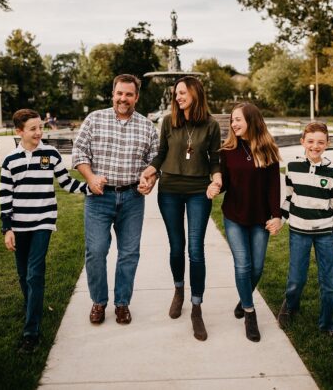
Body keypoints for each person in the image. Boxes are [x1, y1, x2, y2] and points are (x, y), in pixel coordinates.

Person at [0, 109, 90, 354]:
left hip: (43, 222)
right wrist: (7, 228)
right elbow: (5, 198)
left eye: (40, 127)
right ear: (19, 132)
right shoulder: (10, 161)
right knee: (22, 274)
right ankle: (33, 308)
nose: (39, 132)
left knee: (34, 273)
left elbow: (66, 182)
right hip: (19, 225)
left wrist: (90, 187)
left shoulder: (50, 154)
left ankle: (31, 333)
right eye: (33, 129)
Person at [72, 74, 159, 326]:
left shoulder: (146, 126)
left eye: (129, 94)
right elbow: (79, 153)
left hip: (132, 197)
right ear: (113, 94)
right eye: (120, 93)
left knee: (129, 253)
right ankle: (99, 301)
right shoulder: (94, 119)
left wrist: (149, 181)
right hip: (100, 197)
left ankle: (122, 304)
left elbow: (154, 163)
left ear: (136, 97)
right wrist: (90, 177)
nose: (124, 98)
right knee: (96, 252)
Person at [139, 75, 221, 341]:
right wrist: (149, 172)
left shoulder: (210, 125)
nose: (177, 97)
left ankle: (197, 307)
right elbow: (161, 153)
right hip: (170, 190)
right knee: (177, 246)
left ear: (195, 93)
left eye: (182, 92)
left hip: (198, 191)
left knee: (195, 250)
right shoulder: (168, 121)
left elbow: (215, 158)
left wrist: (217, 177)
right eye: (176, 93)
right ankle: (178, 290)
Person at [278, 121, 333, 336]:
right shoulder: (292, 167)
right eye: (310, 141)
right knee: (297, 279)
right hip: (298, 231)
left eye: (320, 142)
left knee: (329, 284)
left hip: (325, 234)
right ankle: (290, 306)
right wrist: (281, 219)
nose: (315, 146)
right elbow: (289, 198)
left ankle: (327, 325)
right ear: (302, 142)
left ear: (327, 144)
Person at [220, 102, 281, 342]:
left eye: (238, 120)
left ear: (251, 121)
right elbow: (224, 182)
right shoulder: (227, 150)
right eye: (232, 120)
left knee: (257, 268)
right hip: (234, 215)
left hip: (260, 218)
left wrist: (276, 215)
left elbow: (274, 187)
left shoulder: (268, 150)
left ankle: (242, 298)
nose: (233, 124)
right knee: (243, 265)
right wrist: (215, 185)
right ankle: (249, 311)